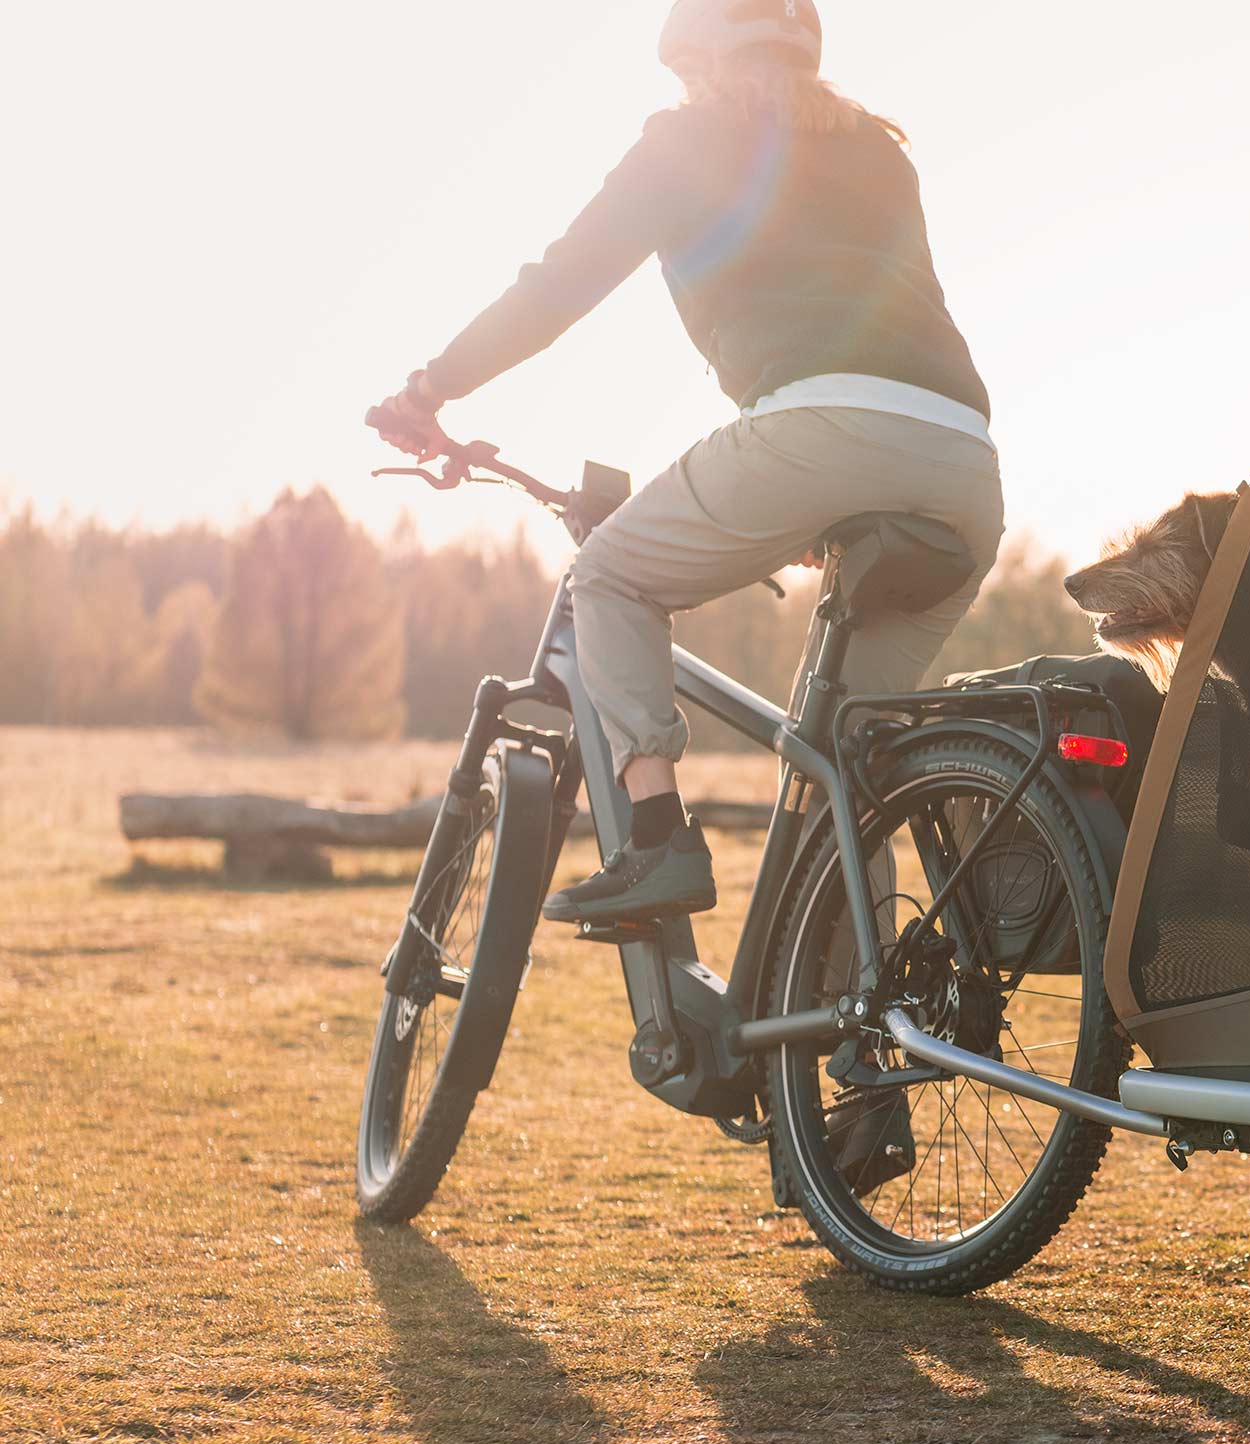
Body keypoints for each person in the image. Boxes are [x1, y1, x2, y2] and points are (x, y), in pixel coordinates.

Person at [369, 0, 1001, 926]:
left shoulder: (687, 139)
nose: (686, 91)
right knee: (839, 785)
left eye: (688, 72)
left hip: (818, 430)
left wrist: (432, 389)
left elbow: (556, 287)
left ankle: (657, 838)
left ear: (706, 59)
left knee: (610, 576)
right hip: (963, 463)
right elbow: (888, 321)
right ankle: (847, 1047)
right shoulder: (880, 151)